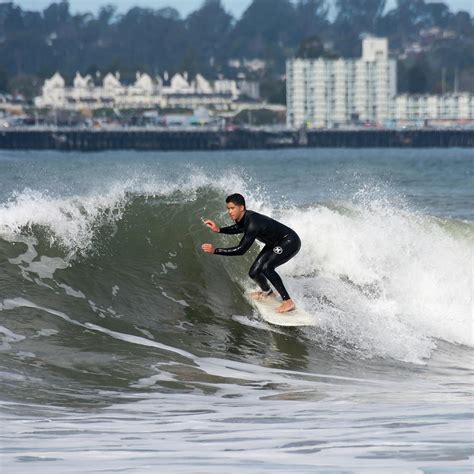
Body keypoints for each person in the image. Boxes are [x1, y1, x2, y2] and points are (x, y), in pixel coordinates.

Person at [201, 193, 301, 313]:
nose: (230, 211)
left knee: (266, 267)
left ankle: (288, 301)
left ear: (241, 208)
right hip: (274, 243)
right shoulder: (244, 219)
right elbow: (238, 228)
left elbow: (241, 250)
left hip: (289, 241)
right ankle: (268, 293)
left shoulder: (253, 222)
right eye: (228, 208)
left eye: (232, 208)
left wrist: (215, 250)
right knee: (254, 272)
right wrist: (219, 230)